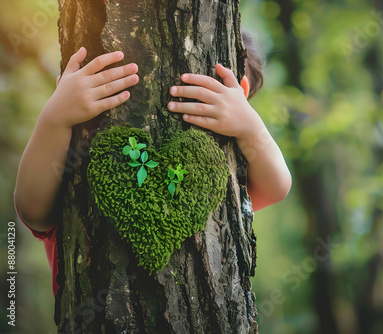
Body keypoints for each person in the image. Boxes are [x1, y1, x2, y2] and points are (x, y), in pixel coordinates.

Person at [13, 30, 292, 297]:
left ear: (241, 94)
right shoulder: (69, 151)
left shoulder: (224, 177)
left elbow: (276, 186)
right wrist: (56, 118)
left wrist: (251, 128)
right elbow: (33, 210)